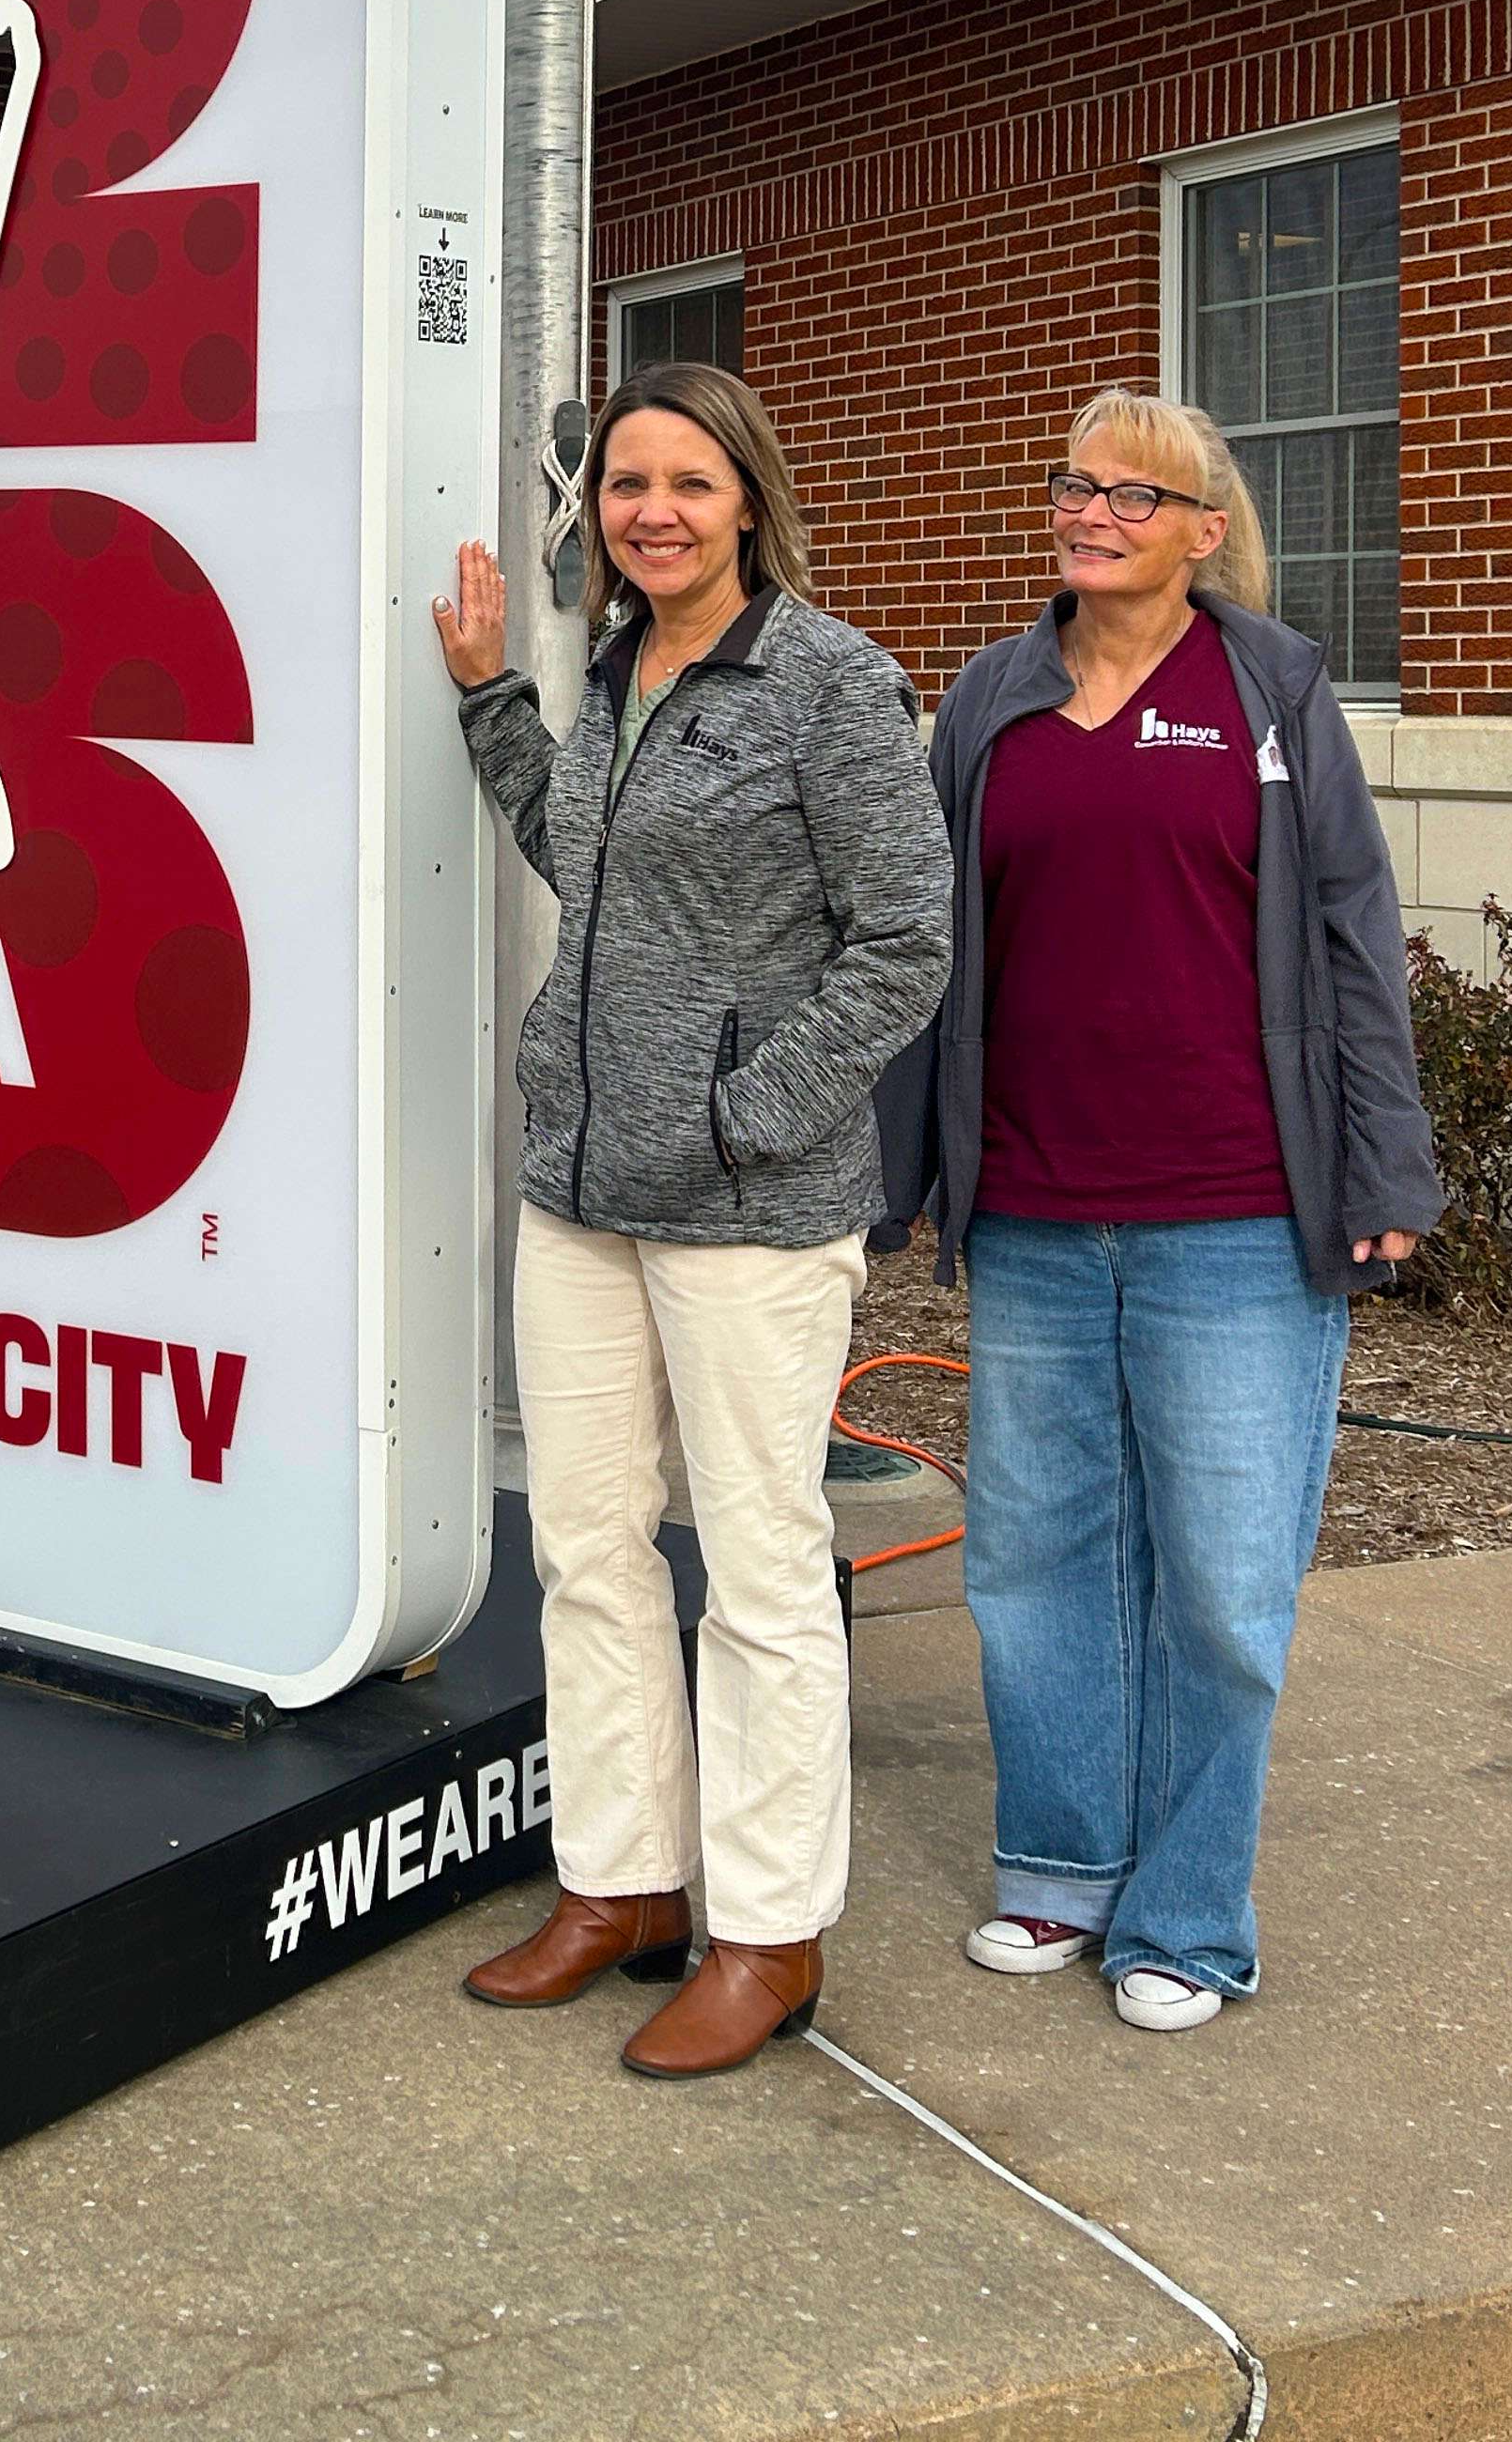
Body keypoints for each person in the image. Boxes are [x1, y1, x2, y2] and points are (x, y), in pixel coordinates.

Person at [883, 390, 1440, 2031]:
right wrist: (893, 1171)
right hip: (1038, 1204)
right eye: (1072, 481)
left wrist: (1383, 1161)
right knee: (1035, 1552)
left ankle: (1186, 1917)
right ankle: (1058, 1867)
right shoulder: (988, 695)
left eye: (1135, 492)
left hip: (1231, 1208)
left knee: (1218, 1573)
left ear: (1204, 529)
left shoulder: (1267, 686)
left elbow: (1349, 926)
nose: (1093, 510)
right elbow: (924, 950)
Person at [435, 363, 952, 2078]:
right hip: (579, 1189)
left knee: (754, 1576)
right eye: (623, 482)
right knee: (584, 1549)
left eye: (686, 482)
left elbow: (902, 940)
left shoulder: (823, 682)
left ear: (748, 499)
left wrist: (747, 1113)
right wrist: (490, 702)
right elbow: (583, 863)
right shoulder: (616, 670)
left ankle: (764, 1931)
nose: (648, 508)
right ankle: (618, 1884)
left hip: (744, 1207)